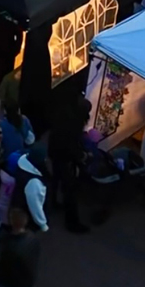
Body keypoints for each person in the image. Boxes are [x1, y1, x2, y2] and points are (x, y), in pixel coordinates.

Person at [48, 93, 91, 233]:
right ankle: (72, 222)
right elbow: (71, 145)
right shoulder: (75, 125)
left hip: (54, 151)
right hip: (64, 157)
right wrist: (81, 156)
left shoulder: (64, 114)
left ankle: (53, 202)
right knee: (69, 189)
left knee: (55, 179)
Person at [0, 208, 40, 287]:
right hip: (26, 282)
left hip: (11, 284)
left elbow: (3, 267)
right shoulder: (33, 238)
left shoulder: (10, 246)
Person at [13, 144, 50, 232]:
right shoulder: (33, 182)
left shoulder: (24, 163)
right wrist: (42, 223)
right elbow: (34, 205)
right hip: (29, 217)